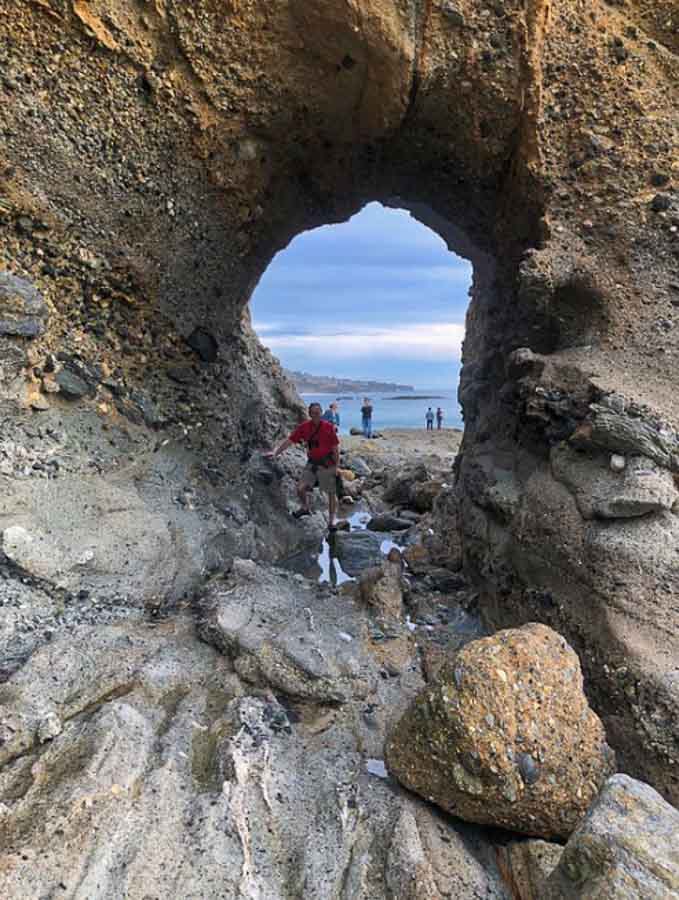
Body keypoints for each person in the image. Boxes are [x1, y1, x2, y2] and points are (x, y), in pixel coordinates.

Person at [265, 402, 340, 530]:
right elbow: (290, 441)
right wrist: (276, 452)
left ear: (321, 413)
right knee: (300, 488)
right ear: (309, 414)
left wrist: (336, 467)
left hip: (328, 463)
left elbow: (335, 449)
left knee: (331, 493)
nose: (316, 415)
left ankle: (332, 520)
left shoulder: (328, 427)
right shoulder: (304, 427)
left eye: (318, 412)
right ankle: (305, 507)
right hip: (312, 463)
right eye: (313, 413)